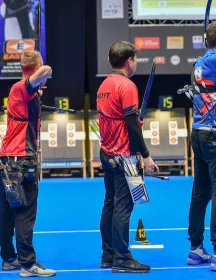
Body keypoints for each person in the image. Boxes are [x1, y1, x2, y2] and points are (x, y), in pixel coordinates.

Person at [96, 41, 158, 273]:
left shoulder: (104, 85)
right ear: (129, 61)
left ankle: (108, 255)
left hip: (107, 154)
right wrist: (146, 156)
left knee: (110, 204)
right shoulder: (127, 85)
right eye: (134, 59)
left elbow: (122, 120)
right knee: (123, 207)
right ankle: (122, 259)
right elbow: (132, 124)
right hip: (124, 157)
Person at [0, 50, 55, 277]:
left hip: (8, 158)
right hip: (22, 160)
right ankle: (28, 264)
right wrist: (43, 72)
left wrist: (39, 85)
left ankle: (9, 258)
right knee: (25, 212)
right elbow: (47, 70)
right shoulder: (22, 88)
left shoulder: (22, 91)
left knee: (8, 211)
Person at [186, 21, 216, 271]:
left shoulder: (199, 61)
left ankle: (196, 249)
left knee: (201, 192)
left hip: (198, 132)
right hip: (213, 135)